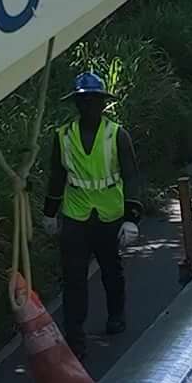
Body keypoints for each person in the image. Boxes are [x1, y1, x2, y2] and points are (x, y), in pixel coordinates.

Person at [40, 68, 130, 342]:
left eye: (93, 100)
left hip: (109, 214)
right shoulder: (63, 136)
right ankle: (74, 334)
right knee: (73, 277)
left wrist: (132, 218)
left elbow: (132, 175)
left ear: (102, 103)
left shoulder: (117, 134)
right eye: (83, 101)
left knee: (111, 270)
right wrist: (50, 214)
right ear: (76, 104)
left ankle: (116, 315)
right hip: (75, 215)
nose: (88, 106)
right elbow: (57, 176)